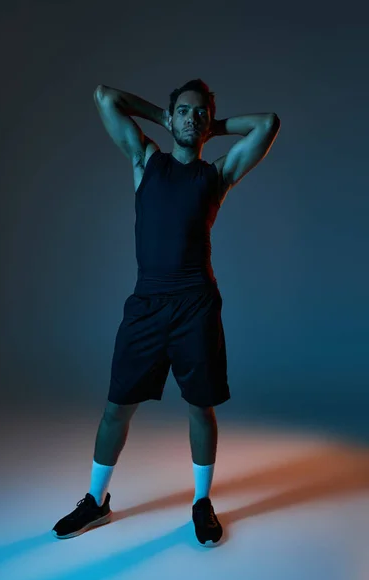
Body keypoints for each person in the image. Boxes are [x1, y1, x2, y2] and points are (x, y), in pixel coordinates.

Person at [52, 79, 280, 546]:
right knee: (117, 406)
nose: (192, 118)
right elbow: (103, 97)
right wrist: (165, 116)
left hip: (196, 304)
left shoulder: (216, 175)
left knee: (201, 406)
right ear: (170, 116)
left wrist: (209, 128)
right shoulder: (145, 161)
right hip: (147, 306)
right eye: (185, 112)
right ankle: (96, 502)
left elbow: (268, 124)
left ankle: (201, 502)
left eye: (201, 114)